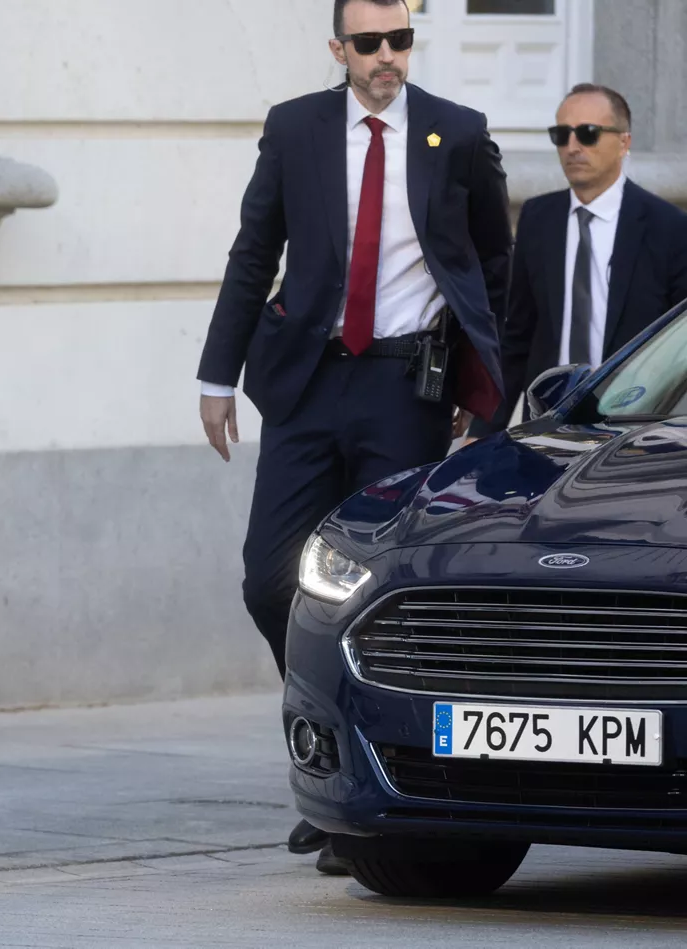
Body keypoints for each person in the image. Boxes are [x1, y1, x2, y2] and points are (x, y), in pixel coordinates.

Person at [196, 0, 511, 874]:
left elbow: (493, 261)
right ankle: (330, 748)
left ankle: (361, 799)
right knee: (271, 579)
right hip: (305, 380)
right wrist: (217, 375)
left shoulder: (457, 132)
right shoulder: (295, 128)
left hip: (403, 389)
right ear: (338, 48)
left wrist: (485, 384)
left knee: (381, 591)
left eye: (399, 40)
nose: (385, 57)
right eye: (368, 42)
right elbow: (253, 251)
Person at [467, 84, 687, 439]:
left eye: (588, 133)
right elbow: (517, 337)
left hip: (634, 425)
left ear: (624, 142)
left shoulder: (668, 227)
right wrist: (484, 427)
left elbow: (679, 347)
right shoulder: (538, 218)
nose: (573, 147)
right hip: (548, 420)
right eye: (561, 134)